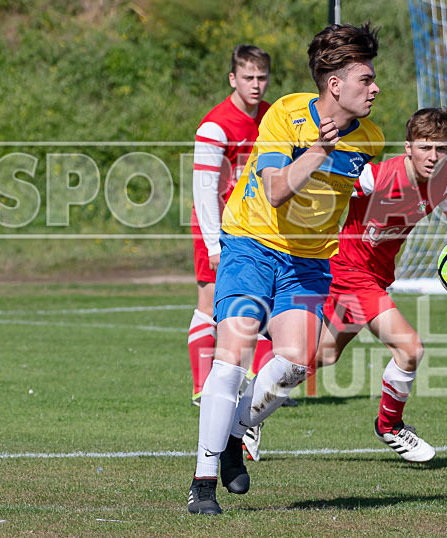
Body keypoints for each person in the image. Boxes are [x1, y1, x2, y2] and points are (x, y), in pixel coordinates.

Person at [187, 22, 384, 515]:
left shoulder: (373, 139)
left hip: (309, 260)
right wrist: (320, 150)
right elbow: (275, 189)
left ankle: (234, 436)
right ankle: (203, 483)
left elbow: (369, 193)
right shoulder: (288, 113)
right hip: (252, 245)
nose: (376, 88)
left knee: (297, 360)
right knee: (232, 355)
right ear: (335, 85)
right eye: (366, 79)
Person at [315, 107, 447, 463]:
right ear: (408, 147)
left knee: (319, 355)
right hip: (349, 271)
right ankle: (389, 425)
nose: (433, 157)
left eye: (442, 149)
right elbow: (328, 193)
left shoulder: (445, 179)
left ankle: (249, 409)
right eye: (425, 148)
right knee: (410, 349)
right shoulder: (377, 177)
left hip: (374, 277)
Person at [188, 44, 276, 461]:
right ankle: (202, 386)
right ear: (232, 79)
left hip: (258, 229)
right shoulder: (215, 126)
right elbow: (203, 189)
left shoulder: (273, 116)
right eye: (248, 78)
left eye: (261, 78)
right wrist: (211, 242)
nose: (256, 86)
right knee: (210, 301)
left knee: (257, 309)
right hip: (220, 227)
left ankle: (247, 390)